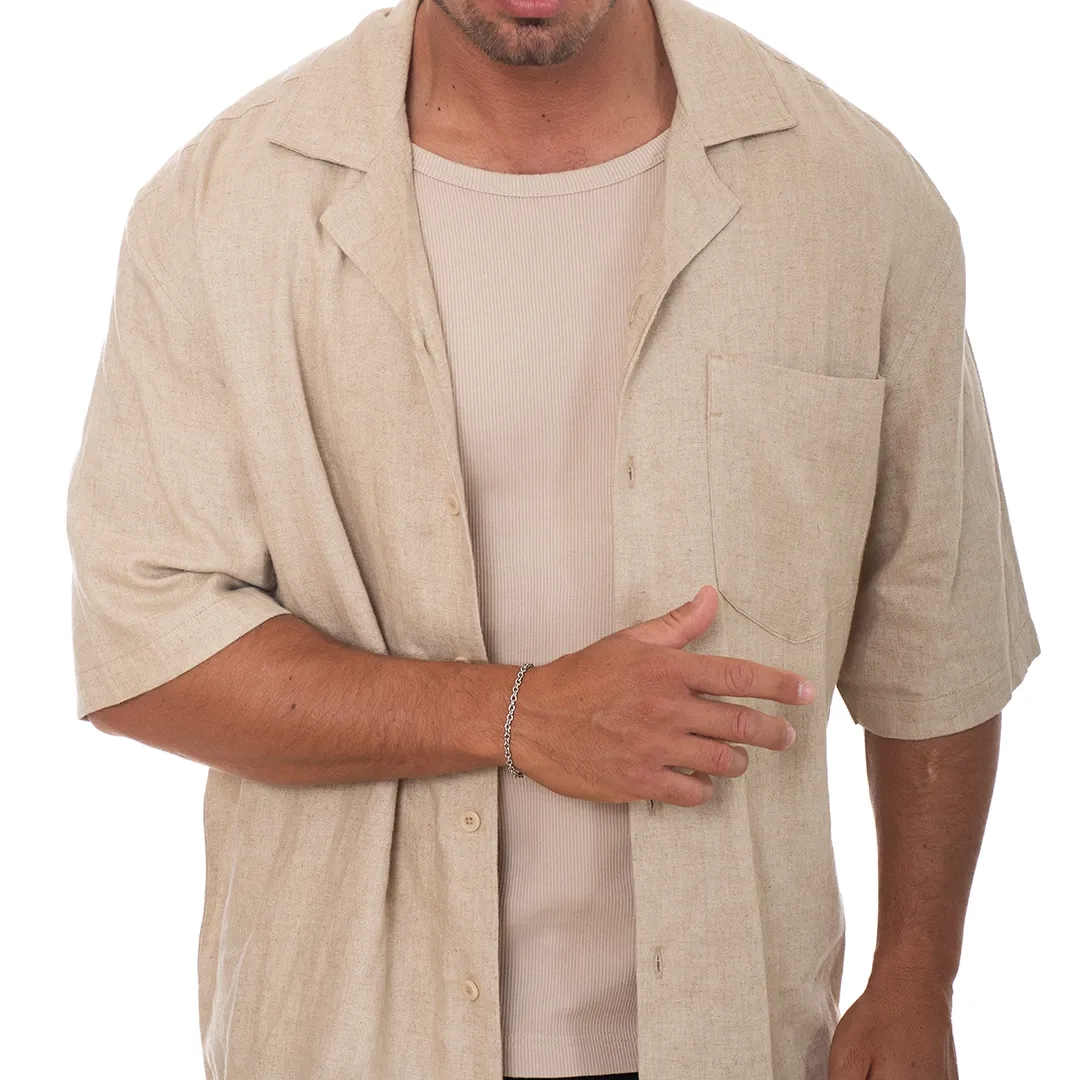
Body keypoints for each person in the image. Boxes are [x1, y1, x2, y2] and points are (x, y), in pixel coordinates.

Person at [65, 0, 1040, 1077]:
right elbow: (145, 649)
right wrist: (519, 716)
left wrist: (916, 974)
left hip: (735, 1034)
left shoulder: (856, 199)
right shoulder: (221, 209)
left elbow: (939, 636)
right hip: (352, 1035)